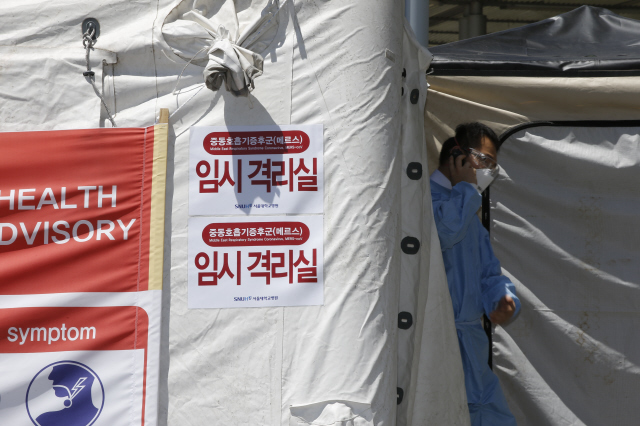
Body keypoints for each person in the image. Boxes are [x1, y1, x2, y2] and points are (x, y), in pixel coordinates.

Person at [430, 122, 520, 426]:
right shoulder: (419, 198)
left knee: (491, 416)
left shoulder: (467, 207)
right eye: (485, 161)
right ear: (459, 157)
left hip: (470, 343)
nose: (487, 172)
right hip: (436, 342)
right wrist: (467, 187)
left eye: (492, 165)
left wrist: (503, 297)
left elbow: (488, 273)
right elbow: (443, 234)